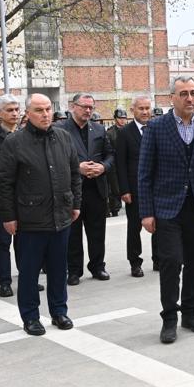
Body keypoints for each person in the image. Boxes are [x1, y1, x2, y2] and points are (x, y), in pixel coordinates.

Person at [138, 77, 194, 344]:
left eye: (193, 93)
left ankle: (191, 312)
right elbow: (144, 174)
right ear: (172, 98)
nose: (190, 99)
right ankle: (169, 318)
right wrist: (146, 212)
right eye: (184, 94)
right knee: (171, 262)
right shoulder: (156, 127)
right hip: (167, 207)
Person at [0, 94, 80, 336]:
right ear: (28, 113)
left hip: (61, 216)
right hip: (30, 219)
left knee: (58, 269)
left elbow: (74, 173)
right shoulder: (15, 142)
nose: (45, 114)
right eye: (39, 110)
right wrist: (8, 216)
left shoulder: (63, 137)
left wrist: (75, 203)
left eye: (48, 109)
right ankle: (31, 317)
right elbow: (5, 183)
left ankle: (59, 311)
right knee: (30, 272)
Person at [55, 92, 114, 285]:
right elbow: (54, 159)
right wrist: (77, 168)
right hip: (72, 189)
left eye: (91, 107)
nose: (88, 111)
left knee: (98, 231)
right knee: (73, 232)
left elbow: (110, 155)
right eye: (84, 107)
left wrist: (103, 167)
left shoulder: (98, 129)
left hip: (96, 188)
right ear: (73, 106)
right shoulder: (60, 129)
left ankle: (98, 266)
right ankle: (74, 270)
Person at [0, 94, 31, 297]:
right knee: (3, 241)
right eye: (10, 110)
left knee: (25, 241)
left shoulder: (26, 134)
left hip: (27, 197)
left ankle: (27, 278)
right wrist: (8, 182)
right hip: (3, 197)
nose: (15, 114)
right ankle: (4, 282)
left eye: (17, 110)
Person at [116, 95, 157, 276]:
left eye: (147, 108)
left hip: (158, 187)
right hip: (135, 189)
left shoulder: (157, 129)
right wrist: (124, 190)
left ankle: (159, 259)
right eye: (141, 108)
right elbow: (120, 163)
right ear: (133, 110)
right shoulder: (125, 133)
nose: (145, 112)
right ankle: (135, 262)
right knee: (135, 227)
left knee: (161, 225)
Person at [105, 108, 129, 218]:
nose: (122, 120)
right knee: (114, 188)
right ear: (115, 119)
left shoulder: (129, 130)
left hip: (127, 163)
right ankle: (114, 209)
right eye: (120, 118)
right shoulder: (110, 133)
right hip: (114, 164)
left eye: (124, 118)